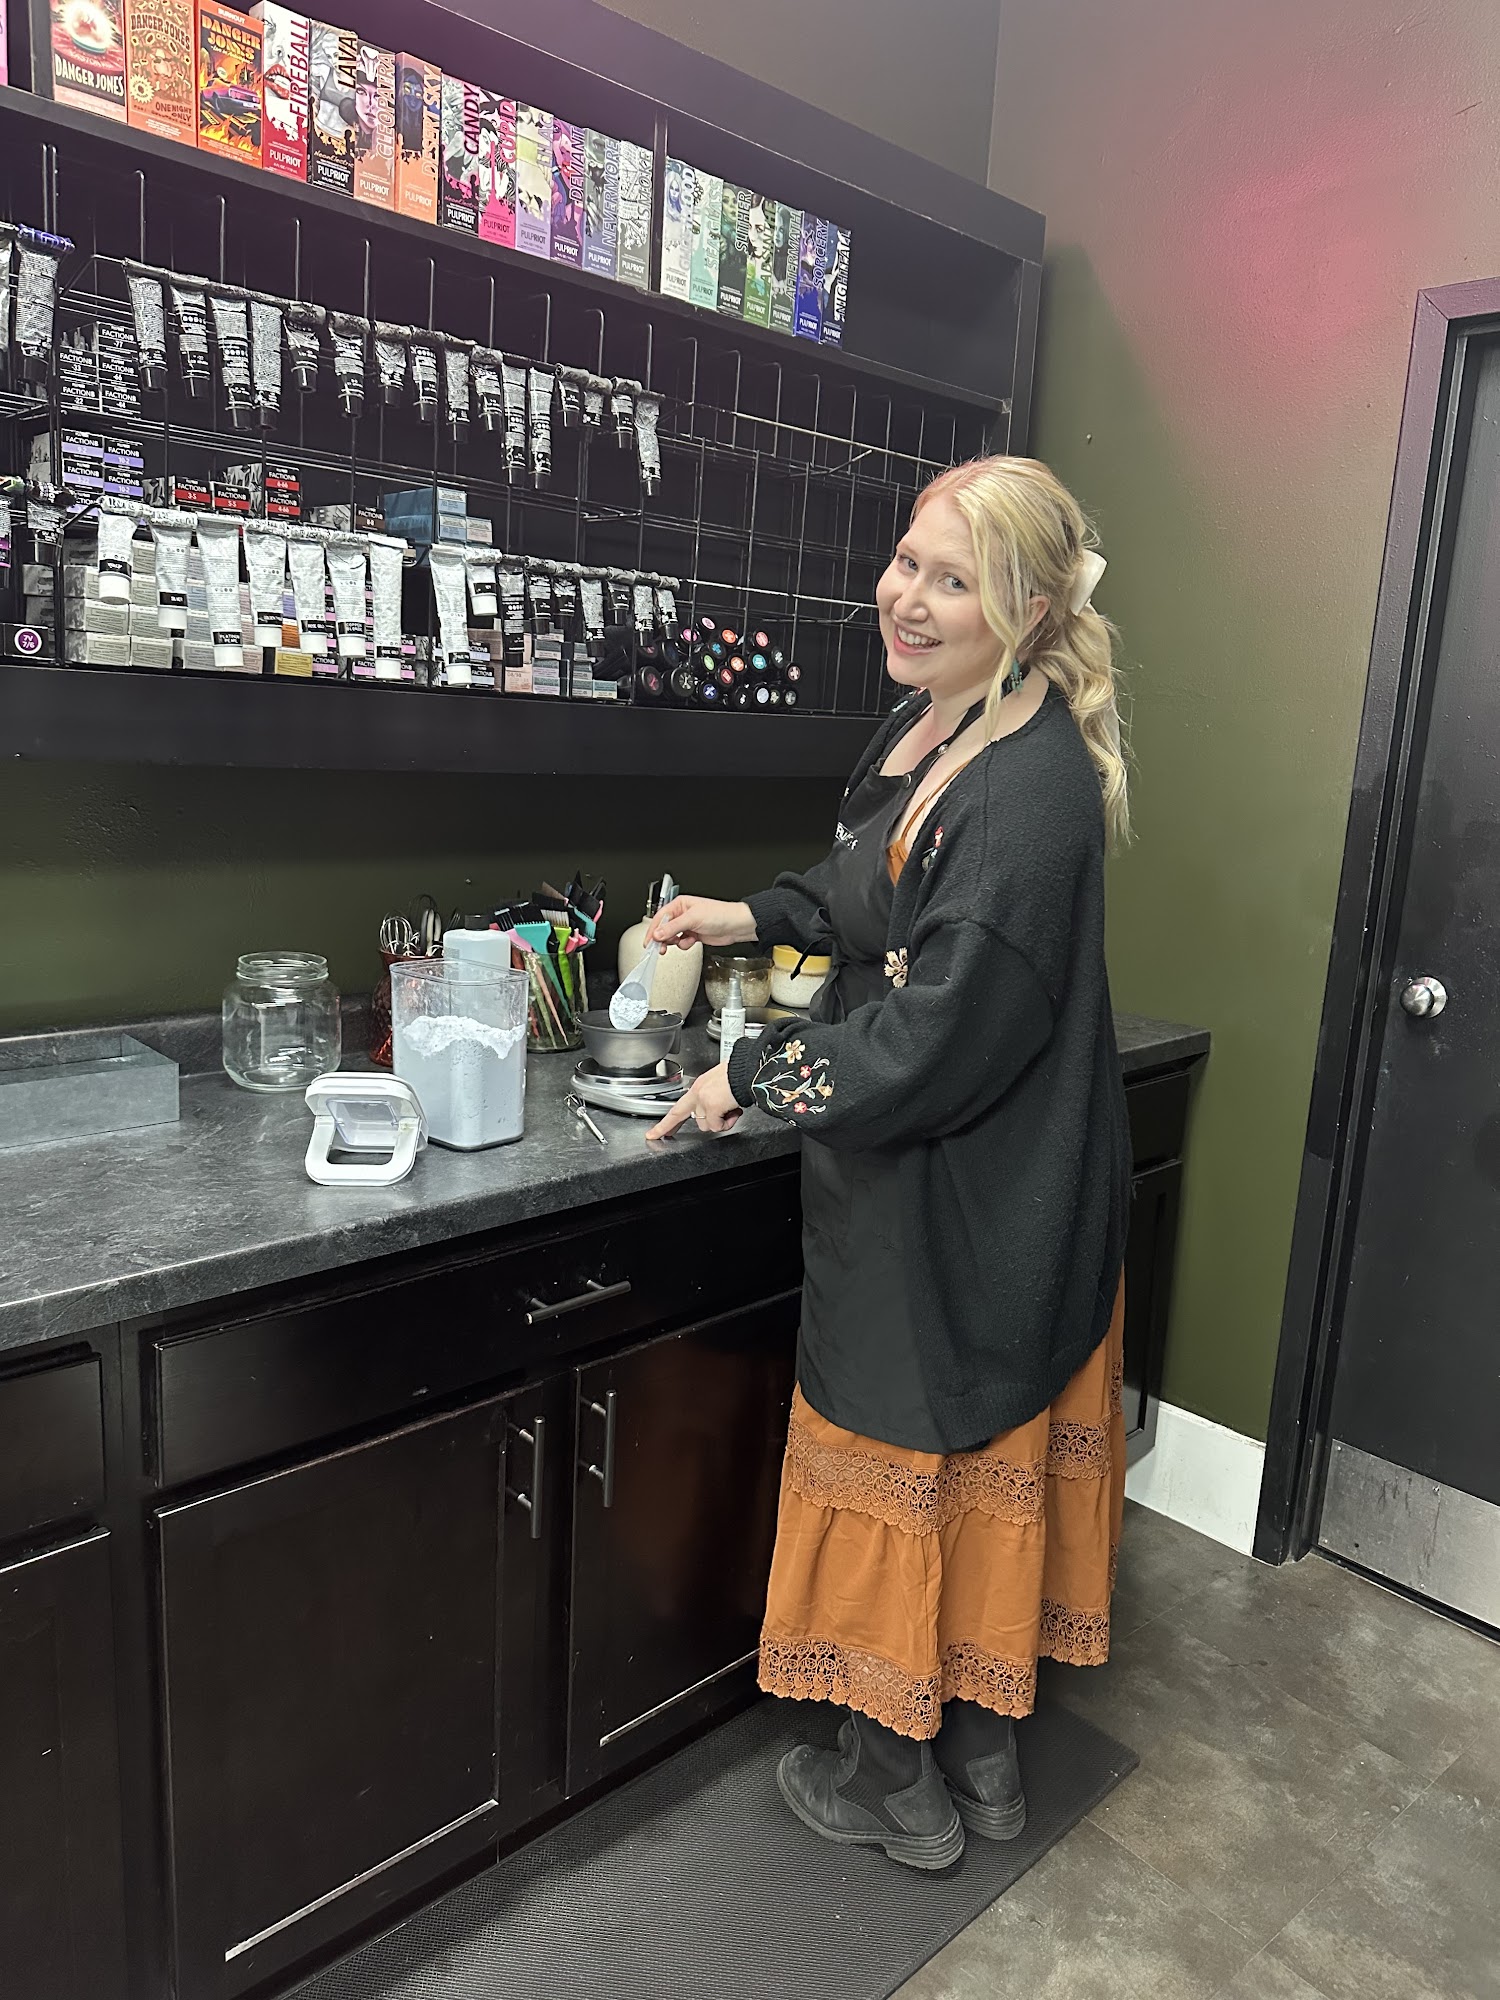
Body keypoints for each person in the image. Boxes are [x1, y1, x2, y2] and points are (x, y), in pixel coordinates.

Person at [645, 456, 1132, 1871]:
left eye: (952, 580)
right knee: (973, 1466)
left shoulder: (1029, 796)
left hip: (965, 1190)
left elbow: (929, 1043)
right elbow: (870, 885)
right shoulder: (946, 722)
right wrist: (746, 915)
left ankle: (888, 1788)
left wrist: (752, 1074)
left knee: (910, 1449)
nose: (906, 598)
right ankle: (979, 1762)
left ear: (1030, 613)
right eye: (908, 560)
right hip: (961, 1177)